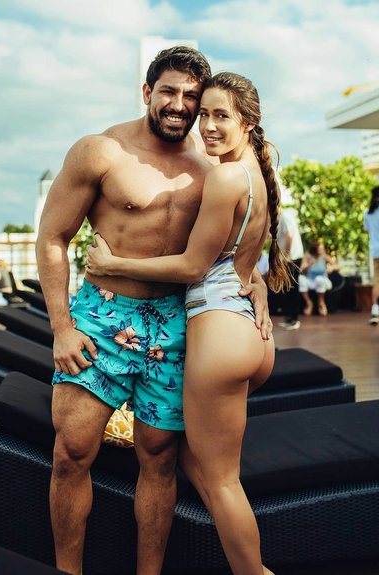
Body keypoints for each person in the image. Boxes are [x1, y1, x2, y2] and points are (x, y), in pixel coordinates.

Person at [35, 47, 272, 575]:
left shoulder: (213, 162)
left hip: (175, 321)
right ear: (147, 92)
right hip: (102, 317)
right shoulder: (101, 152)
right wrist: (61, 327)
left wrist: (253, 282)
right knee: (72, 452)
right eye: (168, 91)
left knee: (161, 459)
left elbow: (231, 239)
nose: (179, 105)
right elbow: (52, 237)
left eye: (191, 96)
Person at [87, 71, 292, 575]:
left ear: (248, 122)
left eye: (222, 116)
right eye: (205, 115)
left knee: (223, 481)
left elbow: (193, 266)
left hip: (221, 336)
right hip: (250, 334)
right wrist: (259, 288)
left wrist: (113, 264)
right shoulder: (257, 172)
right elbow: (243, 257)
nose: (209, 126)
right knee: (190, 459)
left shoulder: (223, 177)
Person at [363, 184, 379, 325]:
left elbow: (367, 229)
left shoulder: (368, 212)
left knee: (378, 283)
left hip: (377, 252)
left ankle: (375, 311)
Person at [276, 206, 304, 329]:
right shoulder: (281, 218)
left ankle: (294, 319)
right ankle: (289, 318)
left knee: (292, 288)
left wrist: (286, 256)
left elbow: (289, 235)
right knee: (287, 288)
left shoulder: (285, 216)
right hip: (288, 258)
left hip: (292, 258)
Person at [298, 240, 338, 316]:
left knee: (319, 279)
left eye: (323, 248)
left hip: (323, 281)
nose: (323, 250)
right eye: (321, 249)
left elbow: (337, 266)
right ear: (314, 249)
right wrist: (309, 264)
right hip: (310, 281)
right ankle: (309, 303)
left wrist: (332, 268)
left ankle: (321, 303)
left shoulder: (324, 257)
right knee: (301, 279)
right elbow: (301, 270)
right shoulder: (307, 257)